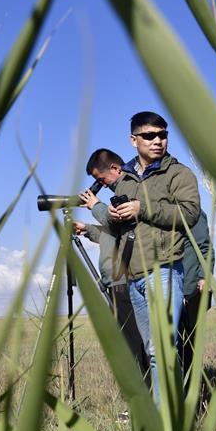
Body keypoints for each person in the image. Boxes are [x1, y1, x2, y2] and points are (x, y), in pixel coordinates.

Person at [105, 111, 201, 403]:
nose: (157, 141)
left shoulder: (178, 173)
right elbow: (123, 227)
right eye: (149, 136)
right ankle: (170, 413)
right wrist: (112, 216)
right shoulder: (124, 179)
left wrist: (142, 208)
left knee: (161, 349)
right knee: (152, 350)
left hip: (164, 269)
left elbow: (189, 214)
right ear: (133, 140)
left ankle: (165, 422)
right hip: (133, 275)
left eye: (162, 135)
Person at [73, 148, 151, 388]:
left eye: (101, 180)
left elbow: (116, 221)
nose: (102, 186)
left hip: (126, 279)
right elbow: (112, 234)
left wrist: (95, 205)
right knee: (130, 343)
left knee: (136, 344)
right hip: (116, 281)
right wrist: (86, 229)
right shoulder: (117, 196)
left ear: (115, 169)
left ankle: (145, 398)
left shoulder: (128, 188)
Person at [177, 209, 213, 387]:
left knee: (189, 345)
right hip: (174, 287)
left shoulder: (192, 212)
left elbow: (205, 247)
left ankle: (192, 391)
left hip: (191, 288)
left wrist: (204, 276)